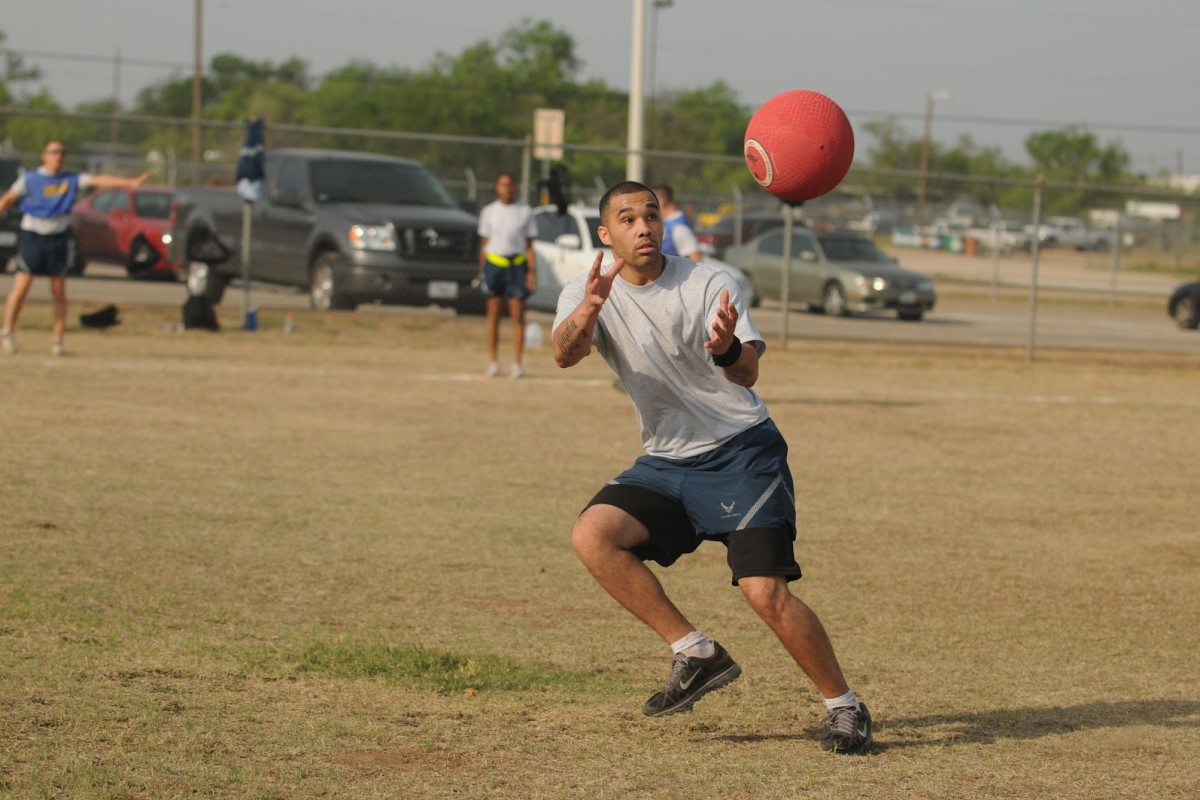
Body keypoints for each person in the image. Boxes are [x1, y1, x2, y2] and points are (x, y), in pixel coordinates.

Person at [551, 181, 872, 755]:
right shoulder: (587, 290)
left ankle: (845, 707)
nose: (644, 226)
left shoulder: (707, 282)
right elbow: (564, 353)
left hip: (741, 451)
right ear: (606, 234)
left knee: (763, 592)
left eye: (651, 215)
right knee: (593, 535)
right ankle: (695, 652)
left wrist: (725, 348)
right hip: (666, 460)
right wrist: (589, 310)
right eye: (627, 219)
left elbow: (748, 371)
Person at [0, 139, 147, 356]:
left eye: (62, 152)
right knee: (21, 287)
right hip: (33, 237)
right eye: (53, 152)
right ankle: (7, 332)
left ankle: (58, 340)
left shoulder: (70, 179)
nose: (58, 156)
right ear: (44, 155)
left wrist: (129, 183)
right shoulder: (30, 179)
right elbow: (8, 198)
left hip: (58, 238)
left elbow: (99, 180)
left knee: (59, 291)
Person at [477, 171, 537, 379]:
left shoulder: (524, 211)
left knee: (518, 315)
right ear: (496, 187)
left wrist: (531, 271)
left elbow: (529, 245)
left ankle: (517, 363)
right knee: (493, 313)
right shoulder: (489, 211)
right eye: (503, 185)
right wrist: (482, 270)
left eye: (510, 184)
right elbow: (485, 244)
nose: (507, 188)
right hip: (495, 264)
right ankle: (493, 361)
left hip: (517, 266)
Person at [650, 184, 703, 261]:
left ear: (662, 200)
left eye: (651, 200)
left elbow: (697, 259)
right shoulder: (665, 223)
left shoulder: (679, 227)